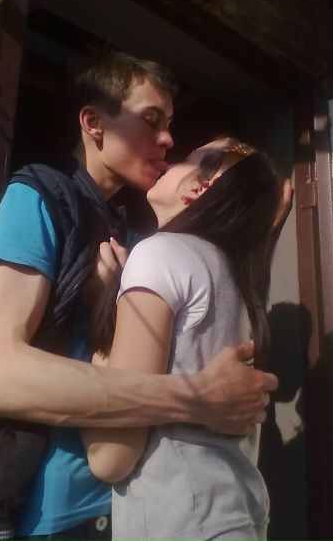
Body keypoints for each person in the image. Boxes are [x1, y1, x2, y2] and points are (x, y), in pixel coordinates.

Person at [0, 52, 279, 541]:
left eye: (169, 125)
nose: (168, 139)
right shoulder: (39, 196)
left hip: (124, 504)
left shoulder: (136, 232)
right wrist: (197, 398)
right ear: (94, 124)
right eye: (151, 120)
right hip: (37, 511)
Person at [83, 137, 287, 541]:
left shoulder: (160, 252)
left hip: (181, 520)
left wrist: (101, 346)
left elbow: (111, 458)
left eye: (187, 159)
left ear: (198, 188)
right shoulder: (237, 283)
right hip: (234, 514)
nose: (168, 162)